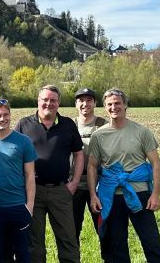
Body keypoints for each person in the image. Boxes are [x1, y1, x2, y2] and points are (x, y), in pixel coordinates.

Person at [88, 88, 160, 263]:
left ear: (125, 105)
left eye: (117, 103)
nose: (113, 107)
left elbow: (156, 164)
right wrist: (93, 195)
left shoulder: (142, 132)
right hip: (112, 197)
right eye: (109, 104)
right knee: (117, 246)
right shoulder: (98, 135)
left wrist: (155, 194)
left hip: (140, 194)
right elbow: (92, 166)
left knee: (151, 242)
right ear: (105, 107)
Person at [14, 84, 83, 263]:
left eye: (53, 100)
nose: (48, 104)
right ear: (38, 101)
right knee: (34, 243)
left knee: (68, 239)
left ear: (58, 103)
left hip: (61, 191)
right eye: (45, 100)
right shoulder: (24, 124)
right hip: (32, 191)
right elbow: (13, 154)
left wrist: (75, 181)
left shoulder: (68, 125)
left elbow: (79, 154)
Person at [0, 98, 36, 262]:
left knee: (22, 253)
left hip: (18, 206)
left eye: (5, 114)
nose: (2, 119)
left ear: (10, 115)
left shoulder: (23, 141)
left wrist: (29, 206)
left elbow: (30, 175)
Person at [70, 88, 106, 245]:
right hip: (74, 185)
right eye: (81, 100)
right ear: (76, 104)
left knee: (105, 230)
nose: (85, 104)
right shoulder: (69, 126)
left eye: (89, 100)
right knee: (71, 231)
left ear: (95, 103)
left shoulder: (104, 125)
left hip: (99, 186)